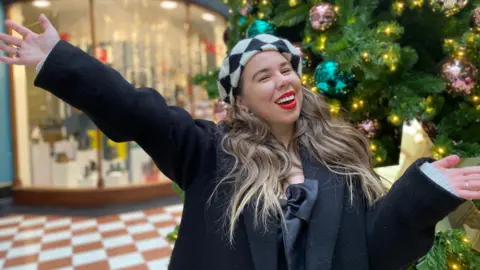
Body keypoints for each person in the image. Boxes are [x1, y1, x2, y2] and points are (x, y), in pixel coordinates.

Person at [1, 15, 479, 270]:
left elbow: (371, 253)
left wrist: (423, 194)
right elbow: (135, 110)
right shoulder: (210, 152)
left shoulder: (341, 152)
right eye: (263, 76)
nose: (282, 79)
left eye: (286, 68)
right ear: (243, 101)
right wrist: (60, 63)